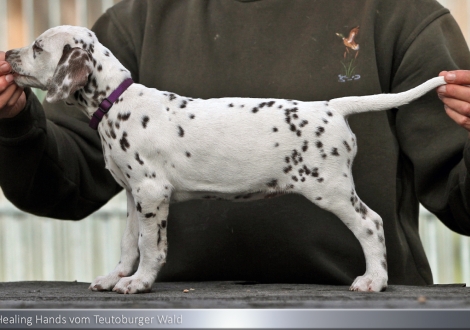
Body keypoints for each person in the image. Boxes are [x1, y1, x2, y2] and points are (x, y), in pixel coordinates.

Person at [0, 0, 469, 286]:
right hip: (176, 315)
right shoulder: (134, 22)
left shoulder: (403, 17)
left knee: (339, 201)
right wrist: (17, 120)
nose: (21, 53)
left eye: (37, 49)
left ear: (70, 71)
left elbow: (460, 199)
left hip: (371, 318)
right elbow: (67, 181)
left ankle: (376, 264)